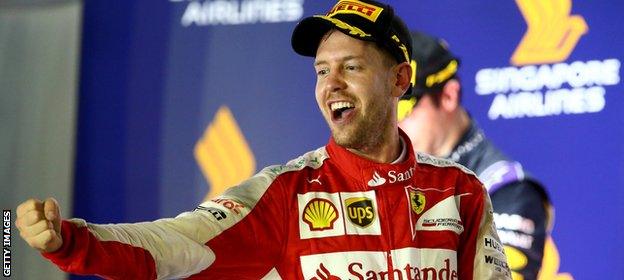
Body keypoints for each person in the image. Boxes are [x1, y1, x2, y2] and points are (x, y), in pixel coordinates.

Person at [15, 1, 510, 279]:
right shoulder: (283, 195)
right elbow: (171, 244)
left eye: (351, 68)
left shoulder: (460, 192)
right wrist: (73, 242)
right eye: (322, 70)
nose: (331, 84)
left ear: (400, 80)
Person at [398, 31, 551, 280]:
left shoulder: (507, 189)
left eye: (402, 111)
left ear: (449, 95)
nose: (393, 127)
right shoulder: (391, 178)